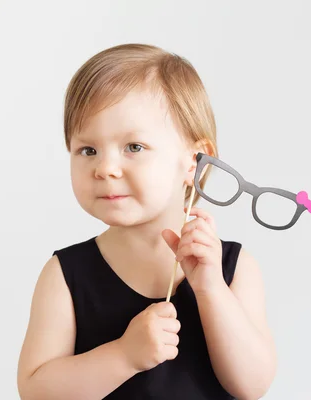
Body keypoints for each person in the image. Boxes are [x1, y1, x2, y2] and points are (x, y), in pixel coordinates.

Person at [17, 43, 277, 400]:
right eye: (88, 150)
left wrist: (211, 289)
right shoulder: (64, 274)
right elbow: (35, 391)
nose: (105, 168)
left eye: (134, 147)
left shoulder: (234, 268)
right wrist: (123, 356)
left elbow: (252, 385)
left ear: (194, 161)